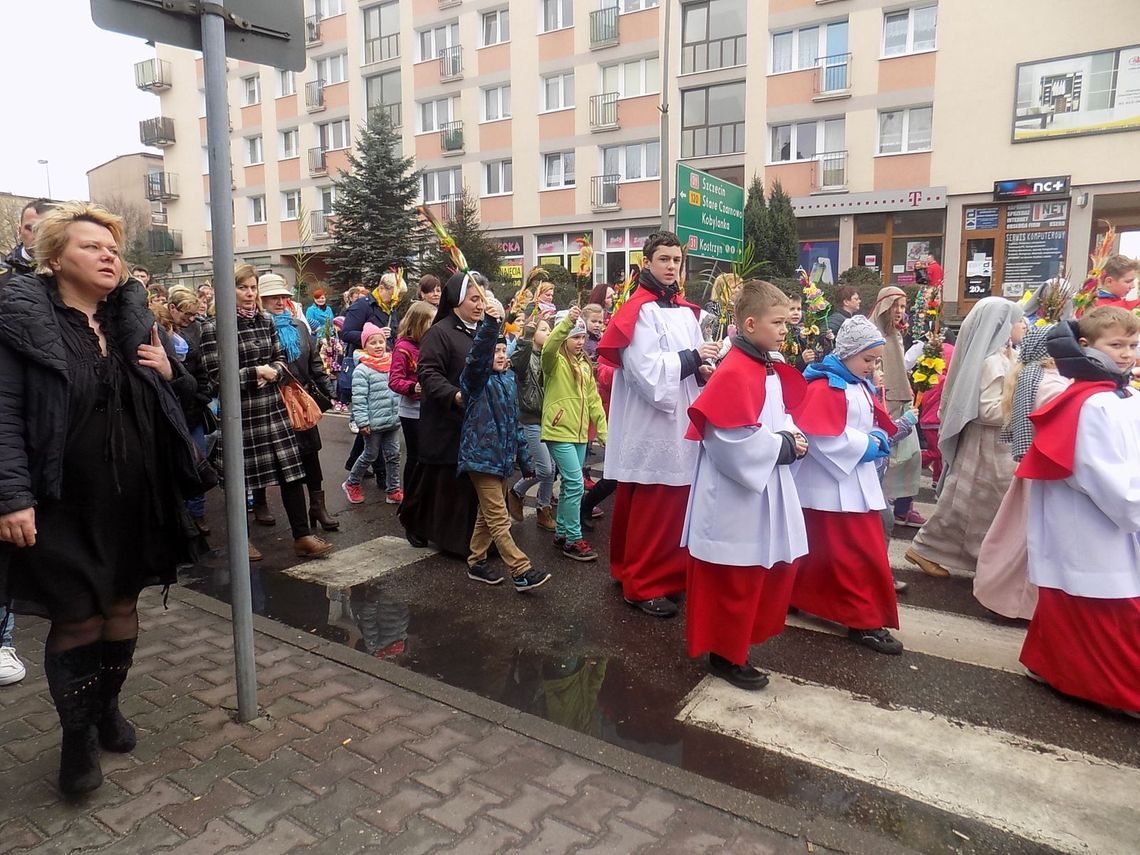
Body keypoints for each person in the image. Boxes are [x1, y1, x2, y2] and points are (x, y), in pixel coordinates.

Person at [0, 202, 210, 794]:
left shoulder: (130, 322)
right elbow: (6, 414)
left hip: (134, 497)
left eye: (113, 248)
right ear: (55, 256)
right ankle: (77, 739)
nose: (108, 255)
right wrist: (12, 496)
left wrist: (171, 372)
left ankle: (107, 708)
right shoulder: (24, 321)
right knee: (77, 617)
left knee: (122, 607)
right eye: (92, 246)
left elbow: (188, 402)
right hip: (63, 501)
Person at [683, 280, 809, 689]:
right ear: (750, 324)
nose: (786, 327)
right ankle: (725, 655)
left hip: (763, 483)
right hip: (735, 496)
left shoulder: (765, 365)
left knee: (753, 573)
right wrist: (782, 447)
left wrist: (792, 434)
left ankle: (736, 648)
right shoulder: (735, 371)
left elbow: (777, 415)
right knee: (732, 579)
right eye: (779, 321)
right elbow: (729, 440)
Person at [1017, 307, 1140, 717]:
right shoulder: (1091, 404)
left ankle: (1051, 665)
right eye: (1116, 345)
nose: (1126, 354)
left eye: (1133, 345)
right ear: (1085, 347)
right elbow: (1103, 477)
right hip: (1094, 525)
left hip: (1107, 522)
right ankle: (1114, 689)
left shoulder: (1123, 396)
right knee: (1106, 610)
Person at [597, 231, 716, 617]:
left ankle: (655, 574)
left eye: (676, 260)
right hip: (652, 420)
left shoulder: (685, 310)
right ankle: (642, 584)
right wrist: (692, 357)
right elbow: (644, 373)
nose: (670, 267)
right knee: (652, 504)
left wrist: (705, 366)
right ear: (646, 262)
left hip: (679, 415)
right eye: (663, 259)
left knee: (670, 505)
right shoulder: (639, 309)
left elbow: (693, 364)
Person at [201, 265, 333, 561]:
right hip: (241, 416)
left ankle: (302, 536)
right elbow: (216, 375)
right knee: (240, 481)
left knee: (291, 476)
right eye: (242, 288)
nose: (250, 294)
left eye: (252, 287)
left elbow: (280, 358)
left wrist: (272, 370)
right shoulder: (214, 326)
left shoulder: (265, 321)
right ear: (227, 290)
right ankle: (240, 539)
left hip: (274, 411)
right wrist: (254, 373)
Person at [790, 316, 904, 655]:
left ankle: (803, 598)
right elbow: (820, 437)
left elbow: (857, 423)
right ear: (849, 353)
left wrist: (879, 436)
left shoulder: (854, 382)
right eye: (867, 359)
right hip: (831, 486)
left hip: (849, 482)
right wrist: (868, 445)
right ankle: (863, 619)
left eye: (875, 361)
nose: (871, 367)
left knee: (832, 555)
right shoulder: (826, 385)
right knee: (854, 556)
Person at [905, 297, 1026, 578]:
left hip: (997, 445)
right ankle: (937, 550)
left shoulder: (1007, 356)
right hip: (986, 444)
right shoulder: (992, 363)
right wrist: (1025, 405)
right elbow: (987, 410)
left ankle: (938, 550)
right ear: (1002, 325)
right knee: (976, 504)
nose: (1023, 325)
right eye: (1018, 320)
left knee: (971, 504)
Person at [973, 326, 1071, 619]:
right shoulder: (1046, 380)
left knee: (1018, 534)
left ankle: (1008, 596)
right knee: (1028, 538)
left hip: (1035, 466)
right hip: (1041, 467)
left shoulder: (1033, 375)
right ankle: (1016, 601)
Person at [458, 299, 550, 591]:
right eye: (494, 351)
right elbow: (476, 358)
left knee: (487, 515)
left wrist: (525, 462)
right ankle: (521, 570)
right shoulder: (476, 382)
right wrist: (490, 324)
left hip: (502, 460)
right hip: (480, 459)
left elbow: (515, 425)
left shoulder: (509, 380)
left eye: (501, 350)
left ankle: (475, 561)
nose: (499, 355)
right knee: (500, 519)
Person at [399, 272, 485, 555]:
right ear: (458, 300)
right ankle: (430, 528)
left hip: (473, 420)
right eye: (474, 299)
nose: (480, 305)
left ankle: (472, 538)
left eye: (482, 299)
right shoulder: (440, 332)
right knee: (438, 480)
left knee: (460, 483)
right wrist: (454, 394)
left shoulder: (480, 330)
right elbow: (428, 372)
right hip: (445, 418)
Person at [257, 274, 339, 531]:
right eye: (273, 297)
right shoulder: (258, 328)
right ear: (262, 300)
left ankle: (317, 505)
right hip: (271, 401)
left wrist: (330, 391)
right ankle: (260, 502)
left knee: (310, 454)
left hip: (301, 400)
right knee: (269, 457)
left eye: (283, 297)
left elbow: (314, 362)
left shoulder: (299, 326)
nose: (280, 301)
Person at [543, 306, 608, 562]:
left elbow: (593, 401)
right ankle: (573, 538)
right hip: (559, 431)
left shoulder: (584, 364)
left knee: (573, 485)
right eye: (575, 337)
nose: (581, 342)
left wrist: (603, 432)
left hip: (580, 434)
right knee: (575, 483)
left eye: (582, 337)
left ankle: (561, 532)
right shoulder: (553, 361)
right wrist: (566, 323)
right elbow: (549, 347)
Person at [869, 286, 926, 528]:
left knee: (911, 457)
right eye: (896, 306)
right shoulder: (874, 332)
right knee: (885, 455)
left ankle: (902, 504)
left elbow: (899, 368)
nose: (900, 312)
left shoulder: (896, 335)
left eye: (903, 307)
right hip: (882, 401)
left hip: (900, 400)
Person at [343, 323, 403, 505]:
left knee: (394, 455)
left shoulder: (392, 362)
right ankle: (352, 483)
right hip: (373, 422)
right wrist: (362, 422)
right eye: (372, 342)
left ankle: (393, 490)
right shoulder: (363, 369)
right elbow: (359, 398)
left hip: (392, 420)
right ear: (364, 346)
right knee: (370, 455)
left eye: (381, 342)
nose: (378, 346)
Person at [509, 317, 557, 532]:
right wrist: (526, 337)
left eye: (550, 329)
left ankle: (543, 509)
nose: (548, 333)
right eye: (544, 329)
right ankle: (517, 491)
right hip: (531, 418)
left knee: (552, 468)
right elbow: (517, 363)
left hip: (549, 419)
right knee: (545, 469)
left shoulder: (548, 355)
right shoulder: (526, 354)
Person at [388, 301, 436, 499]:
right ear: (419, 323)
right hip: (412, 410)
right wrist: (412, 387)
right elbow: (394, 380)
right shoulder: (403, 348)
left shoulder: (431, 343)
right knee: (415, 456)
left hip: (431, 408)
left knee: (430, 455)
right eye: (430, 322)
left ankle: (425, 495)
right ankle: (410, 497)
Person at [341, 271, 403, 350]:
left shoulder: (391, 308)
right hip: (362, 358)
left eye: (399, 297)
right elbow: (346, 334)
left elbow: (394, 333)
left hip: (385, 358)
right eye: (392, 295)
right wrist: (374, 335)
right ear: (381, 288)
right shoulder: (361, 305)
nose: (395, 300)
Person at [1, 198, 55, 287]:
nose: (38, 236)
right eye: (31, 229)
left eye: (46, 229)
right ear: (19, 232)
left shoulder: (72, 270)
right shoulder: (3, 276)